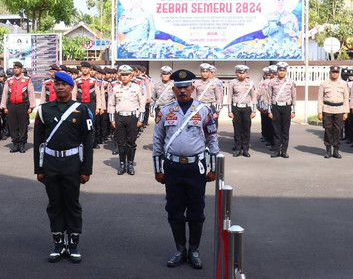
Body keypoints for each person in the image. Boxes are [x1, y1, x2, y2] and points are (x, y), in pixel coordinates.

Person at [152, 69, 219, 270]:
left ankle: (194, 250)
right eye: (178, 88)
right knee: (174, 209)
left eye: (186, 87)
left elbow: (212, 139)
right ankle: (180, 249)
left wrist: (213, 168)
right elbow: (157, 141)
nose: (182, 91)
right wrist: (158, 169)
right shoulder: (164, 112)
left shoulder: (204, 111)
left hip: (195, 168)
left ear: (192, 87)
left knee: (196, 210)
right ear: (173, 89)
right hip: (172, 167)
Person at [33, 71, 94, 264]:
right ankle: (58, 244)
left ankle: (73, 244)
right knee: (54, 204)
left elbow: (88, 140)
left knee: (72, 204)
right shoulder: (44, 110)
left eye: (64, 84)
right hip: (51, 164)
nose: (60, 87)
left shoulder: (81, 110)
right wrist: (39, 169)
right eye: (56, 84)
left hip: (72, 163)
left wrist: (86, 170)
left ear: (70, 87)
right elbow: (38, 142)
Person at [108, 65, 146, 175]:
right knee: (121, 142)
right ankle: (121, 164)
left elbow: (142, 104)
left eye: (127, 75)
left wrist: (141, 119)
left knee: (131, 142)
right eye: (123, 75)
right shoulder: (115, 88)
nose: (124, 77)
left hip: (132, 117)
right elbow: (111, 104)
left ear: (131, 75)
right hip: (120, 117)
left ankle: (130, 164)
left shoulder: (137, 88)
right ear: (119, 76)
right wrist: (112, 119)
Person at [1, 61, 36, 153]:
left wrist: (31, 107)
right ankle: (15, 144)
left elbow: (31, 93)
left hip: (23, 105)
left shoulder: (27, 80)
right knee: (13, 125)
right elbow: (5, 94)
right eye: (14, 68)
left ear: (21, 69)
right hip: (12, 105)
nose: (16, 70)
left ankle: (22, 144)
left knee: (23, 125)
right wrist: (4, 107)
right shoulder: (9, 80)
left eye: (17, 68)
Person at [317, 66, 349, 158]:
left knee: (338, 130)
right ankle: (328, 150)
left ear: (339, 73)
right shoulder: (324, 84)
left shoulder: (343, 84)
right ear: (330, 73)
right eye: (333, 72)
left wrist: (346, 112)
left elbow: (346, 98)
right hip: (327, 109)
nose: (335, 74)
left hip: (339, 109)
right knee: (328, 130)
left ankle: (336, 150)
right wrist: (320, 112)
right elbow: (320, 98)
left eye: (336, 72)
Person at [267, 61, 296, 158]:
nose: (281, 72)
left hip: (287, 107)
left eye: (283, 71)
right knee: (276, 130)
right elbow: (269, 97)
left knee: (285, 130)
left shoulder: (291, 82)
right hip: (276, 107)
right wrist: (269, 110)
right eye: (280, 70)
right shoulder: (272, 82)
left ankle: (284, 151)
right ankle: (276, 150)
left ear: (286, 71)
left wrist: (294, 110)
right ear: (277, 71)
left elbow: (294, 97)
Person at [227, 65, 257, 157]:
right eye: (239, 73)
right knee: (237, 129)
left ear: (246, 73)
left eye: (243, 73)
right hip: (236, 108)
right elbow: (229, 97)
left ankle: (245, 149)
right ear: (236, 73)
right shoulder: (232, 83)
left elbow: (254, 97)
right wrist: (229, 111)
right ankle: (237, 149)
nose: (241, 75)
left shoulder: (251, 83)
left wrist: (254, 111)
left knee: (246, 129)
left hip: (247, 108)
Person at [73, 62, 102, 148]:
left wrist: (98, 107)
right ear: (81, 69)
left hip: (91, 105)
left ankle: (91, 143)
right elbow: (74, 94)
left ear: (90, 69)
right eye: (83, 68)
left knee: (91, 124)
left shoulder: (94, 80)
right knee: (79, 124)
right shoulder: (77, 81)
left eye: (87, 68)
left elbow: (98, 94)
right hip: (80, 104)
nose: (85, 70)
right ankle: (80, 143)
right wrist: (74, 106)